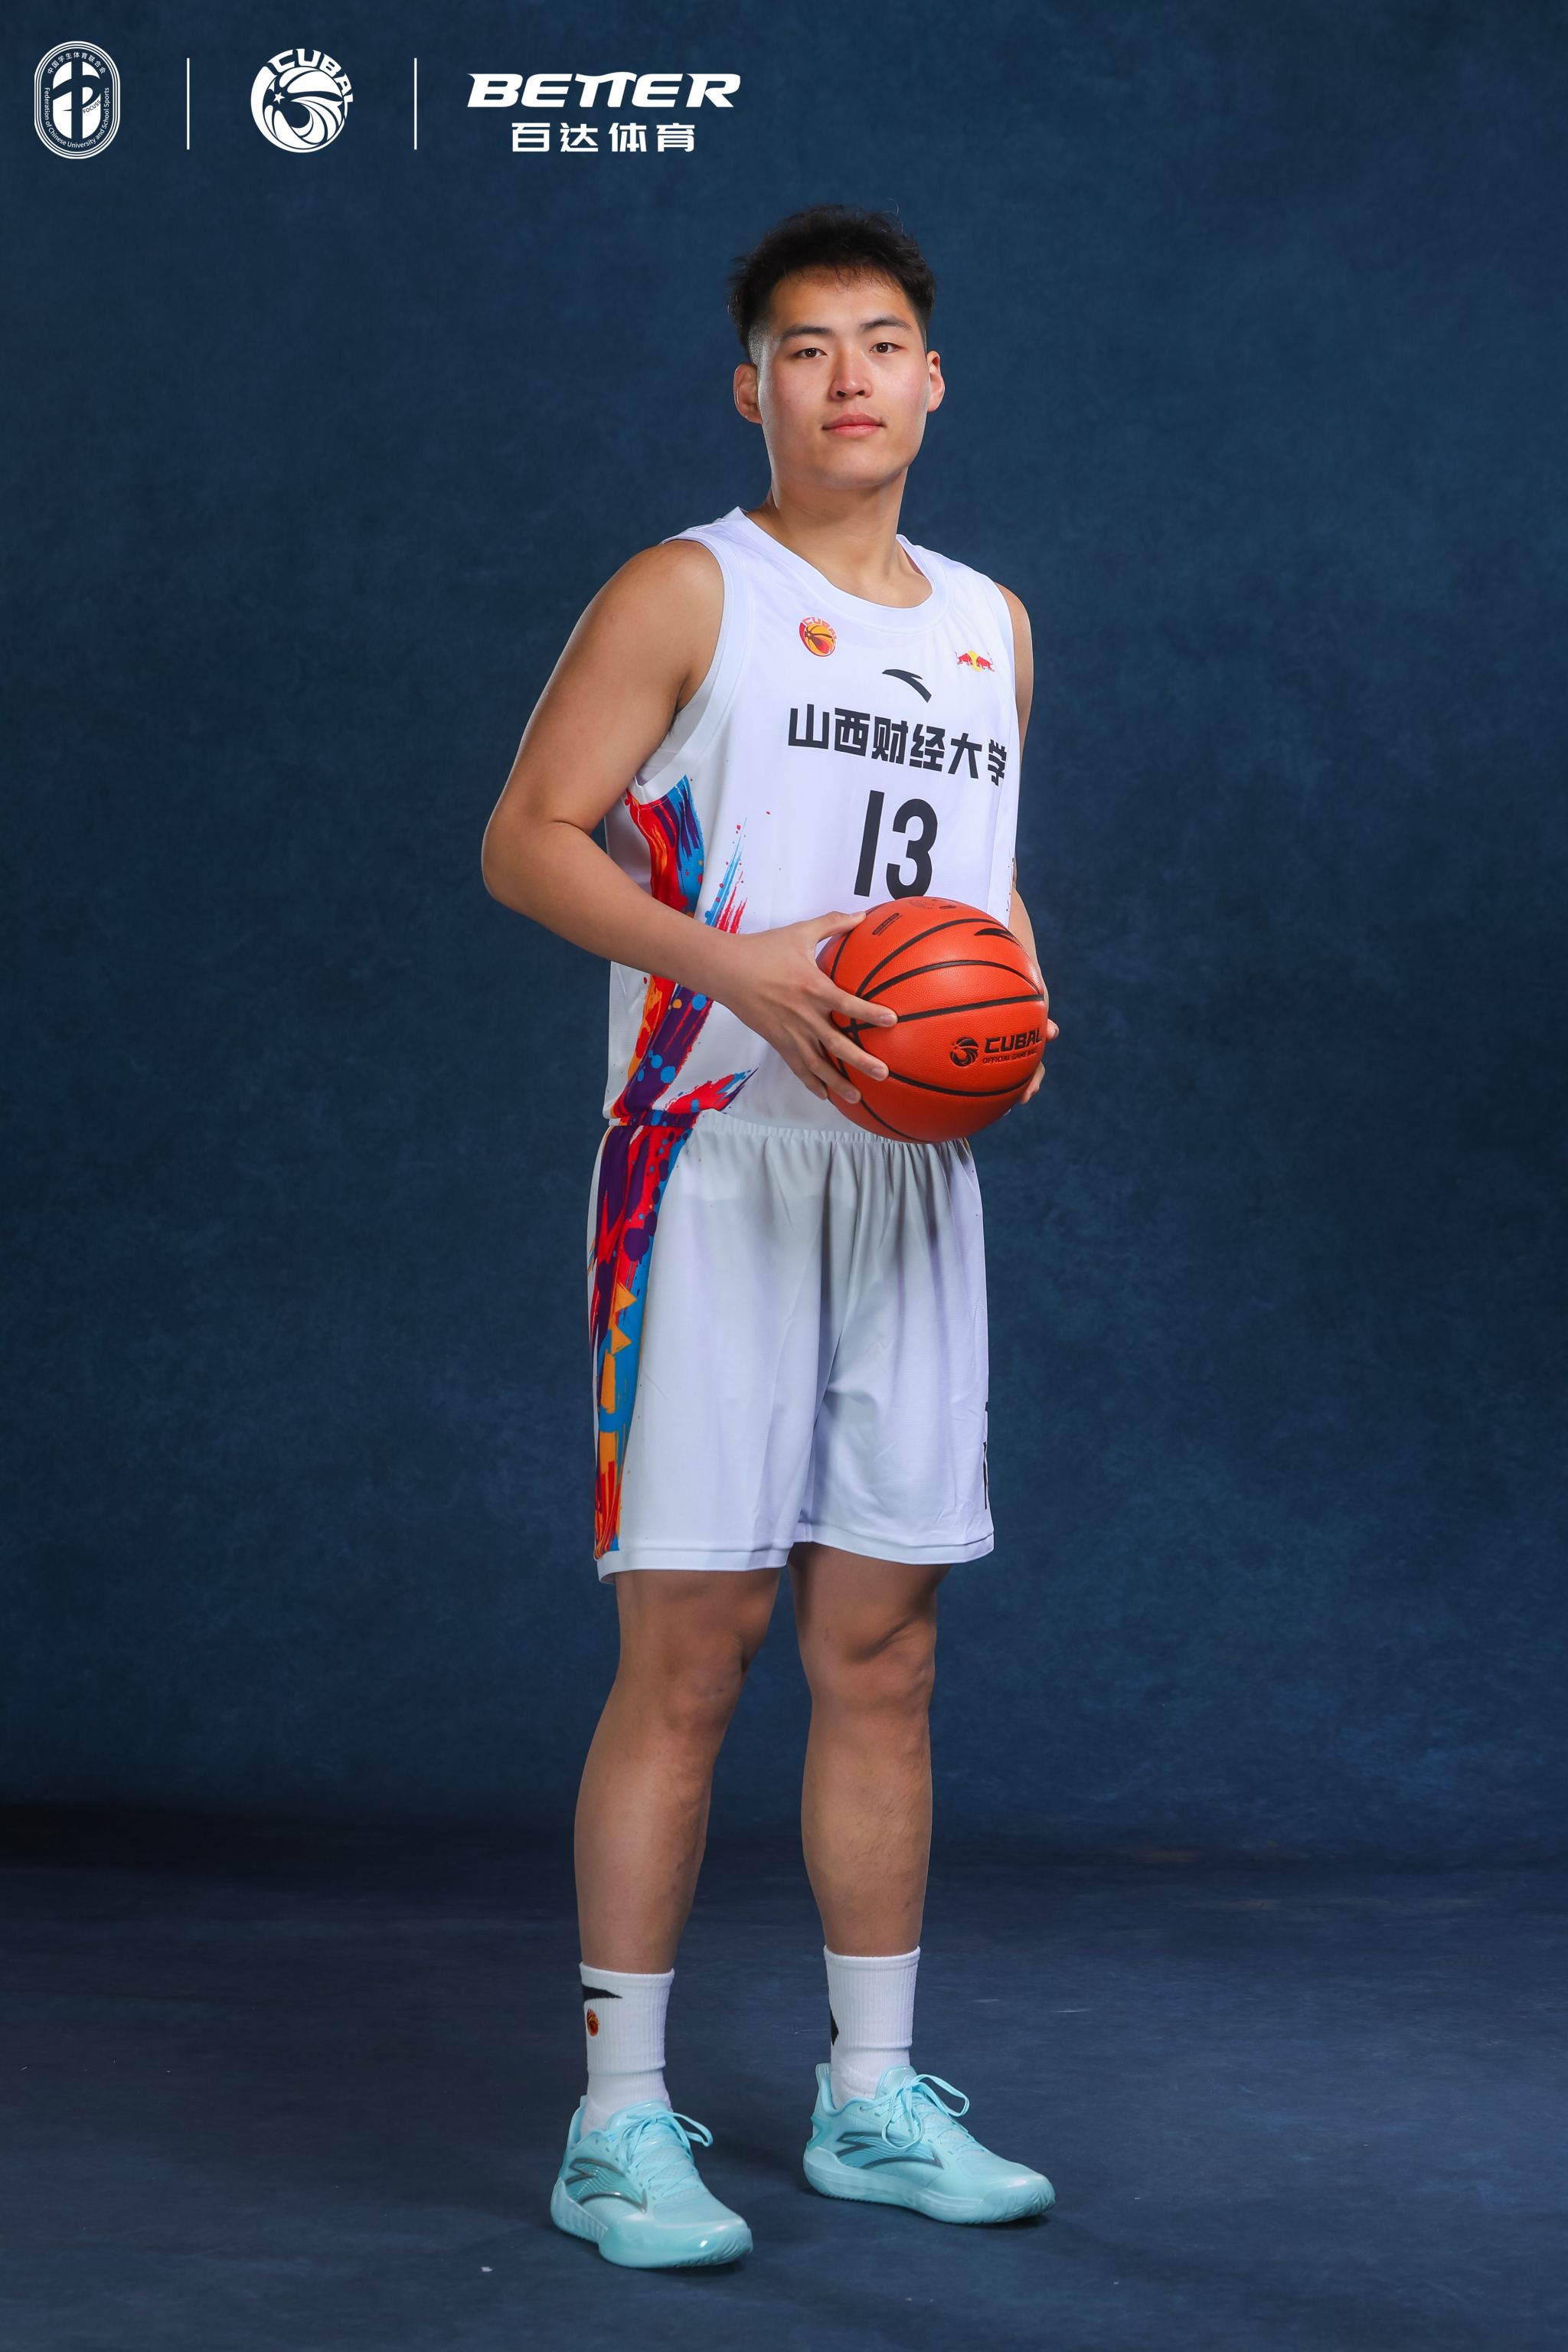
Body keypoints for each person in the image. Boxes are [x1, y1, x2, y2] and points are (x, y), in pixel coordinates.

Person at [481, 202, 1060, 2271]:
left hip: (903, 1175)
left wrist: (1016, 1018)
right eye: (804, 349)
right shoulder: (687, 587)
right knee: (698, 1650)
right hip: (712, 1159)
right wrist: (736, 967)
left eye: (880, 342)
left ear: (933, 381)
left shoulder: (989, 624)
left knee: (885, 1651)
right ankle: (616, 2127)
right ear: (753, 391)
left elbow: (975, 889)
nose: (846, 378)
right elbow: (526, 842)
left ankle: (871, 2098)